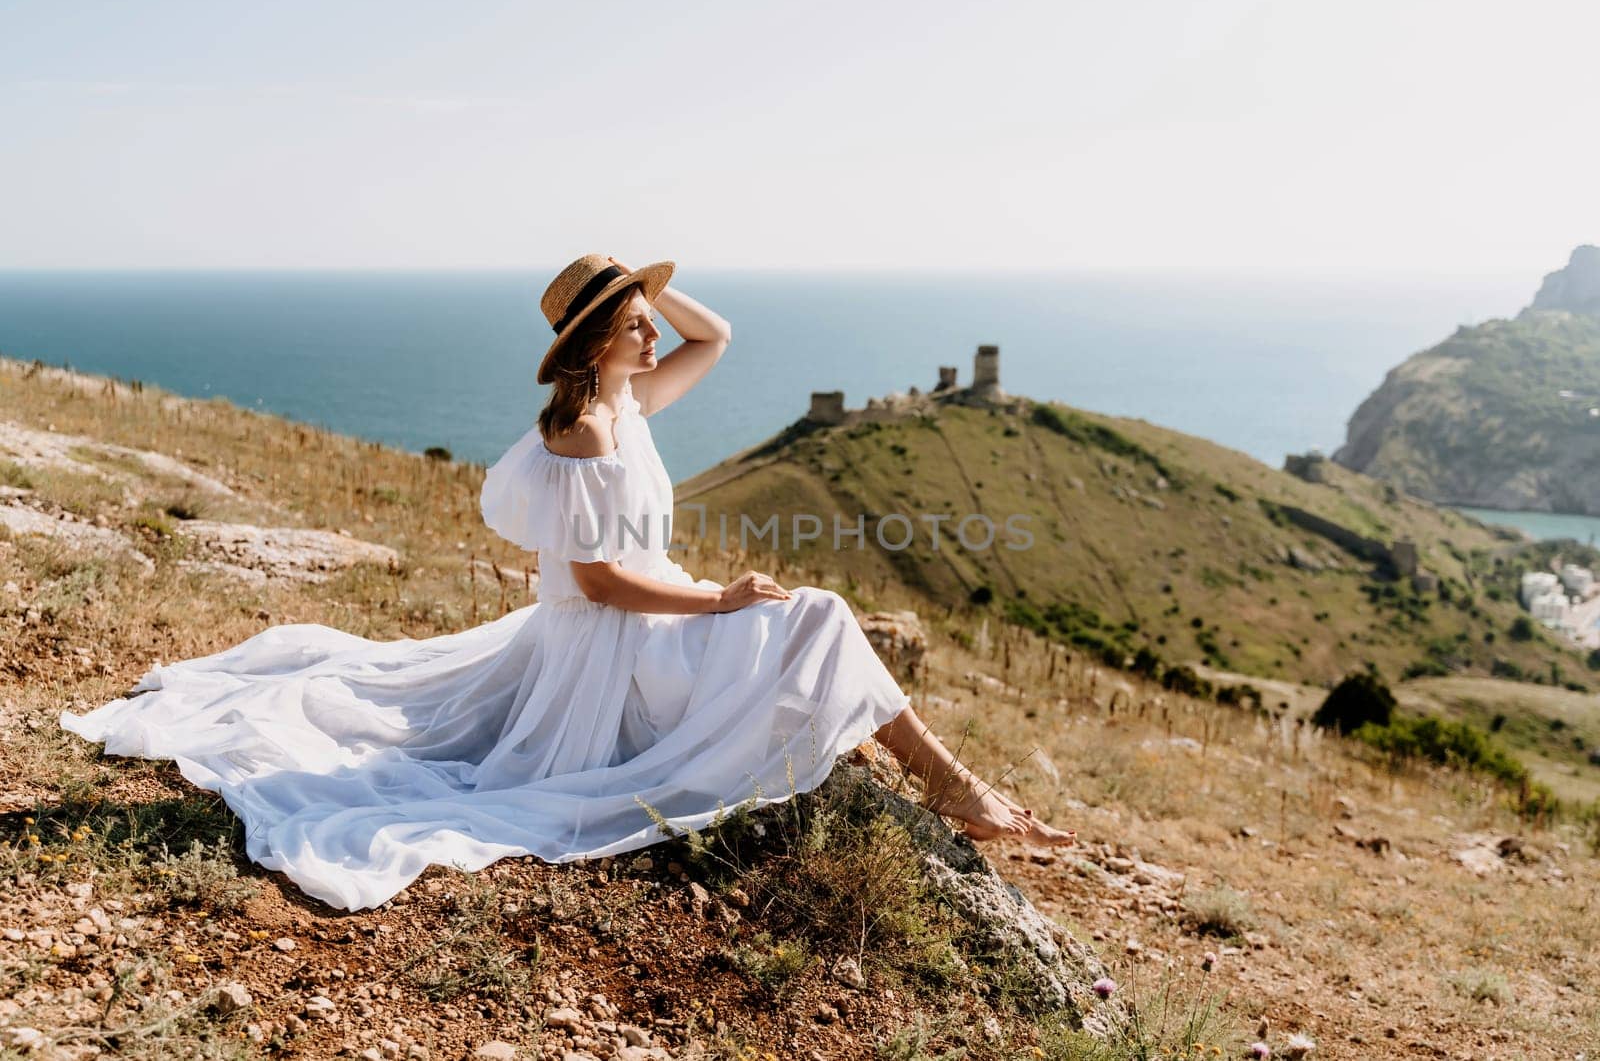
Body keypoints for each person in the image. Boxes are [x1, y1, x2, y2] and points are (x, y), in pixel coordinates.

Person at [59, 254, 1072, 913]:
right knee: (815, 613)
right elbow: (595, 579)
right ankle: (955, 786)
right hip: (616, 637)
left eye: (642, 322)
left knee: (809, 620)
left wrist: (649, 272)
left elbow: (714, 337)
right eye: (633, 325)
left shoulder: (628, 402)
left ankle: (951, 783)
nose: (651, 338)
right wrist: (720, 599)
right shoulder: (582, 428)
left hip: (655, 614)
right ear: (592, 344)